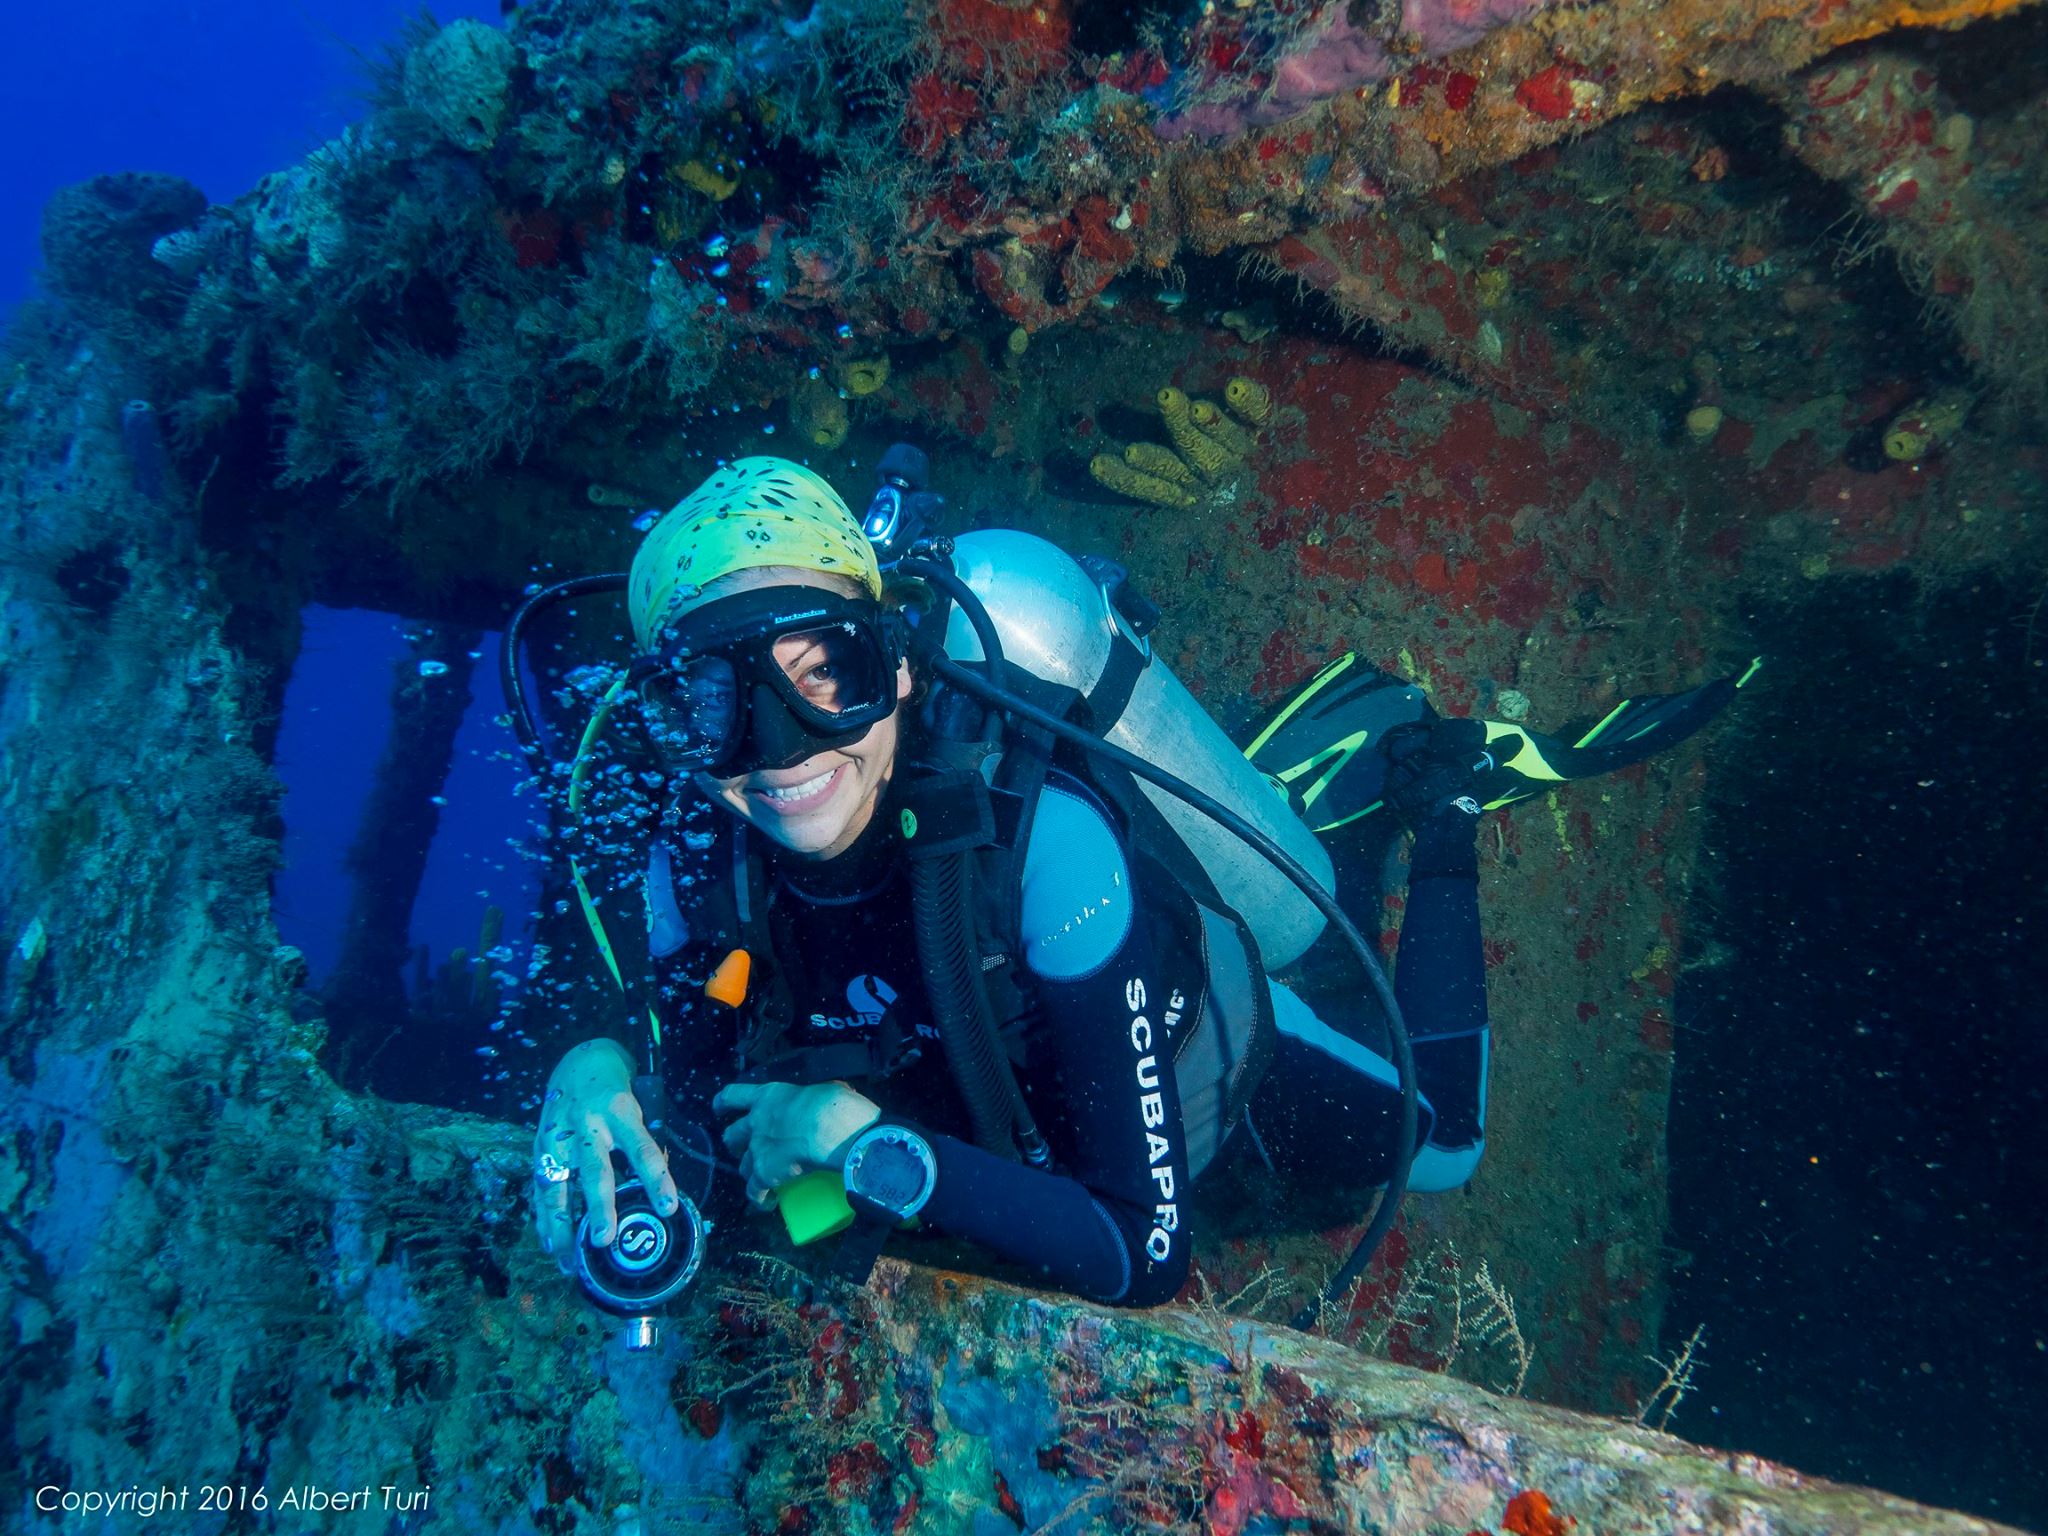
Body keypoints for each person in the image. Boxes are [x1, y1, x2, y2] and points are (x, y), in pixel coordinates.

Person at [525, 456, 1733, 1308]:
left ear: (896, 668)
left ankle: (1446, 802)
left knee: (1450, 1150)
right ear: (666, 730)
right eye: (712, 702)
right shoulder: (700, 864)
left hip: (1216, 1071)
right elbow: (683, 1071)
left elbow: (1142, 1255)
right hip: (986, 1128)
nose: (781, 748)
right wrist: (594, 1062)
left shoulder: (1043, 851)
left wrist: (865, 1149)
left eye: (822, 672)